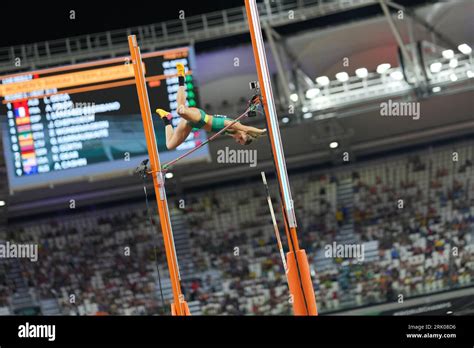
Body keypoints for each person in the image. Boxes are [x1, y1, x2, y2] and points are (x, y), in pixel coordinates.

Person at [156, 63, 266, 149]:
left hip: (193, 125)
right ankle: (181, 75)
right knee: (181, 110)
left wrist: (256, 135)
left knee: (170, 145)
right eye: (241, 139)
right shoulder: (235, 125)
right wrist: (262, 131)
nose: (237, 140)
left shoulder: (231, 132)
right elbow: (247, 128)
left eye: (239, 142)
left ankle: (166, 118)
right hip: (200, 118)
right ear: (243, 133)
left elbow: (248, 132)